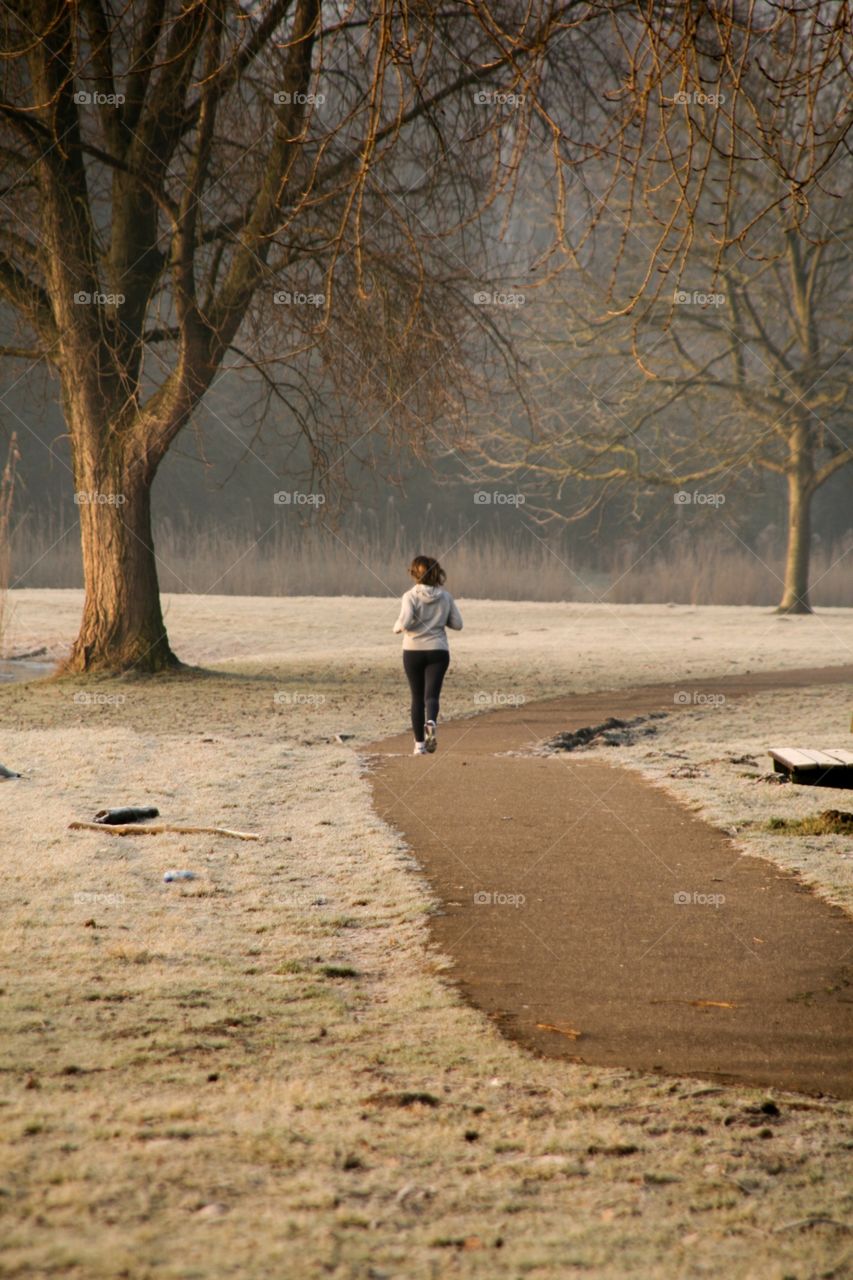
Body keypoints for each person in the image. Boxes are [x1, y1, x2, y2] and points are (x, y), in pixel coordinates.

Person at [393, 555, 463, 756]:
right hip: (438, 651)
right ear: (436, 573)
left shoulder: (410, 596)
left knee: (417, 697)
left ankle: (419, 746)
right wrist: (439, 618)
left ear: (415, 573)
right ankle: (431, 721)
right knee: (431, 695)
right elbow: (458, 624)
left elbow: (404, 621)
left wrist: (396, 628)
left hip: (413, 651)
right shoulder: (446, 597)